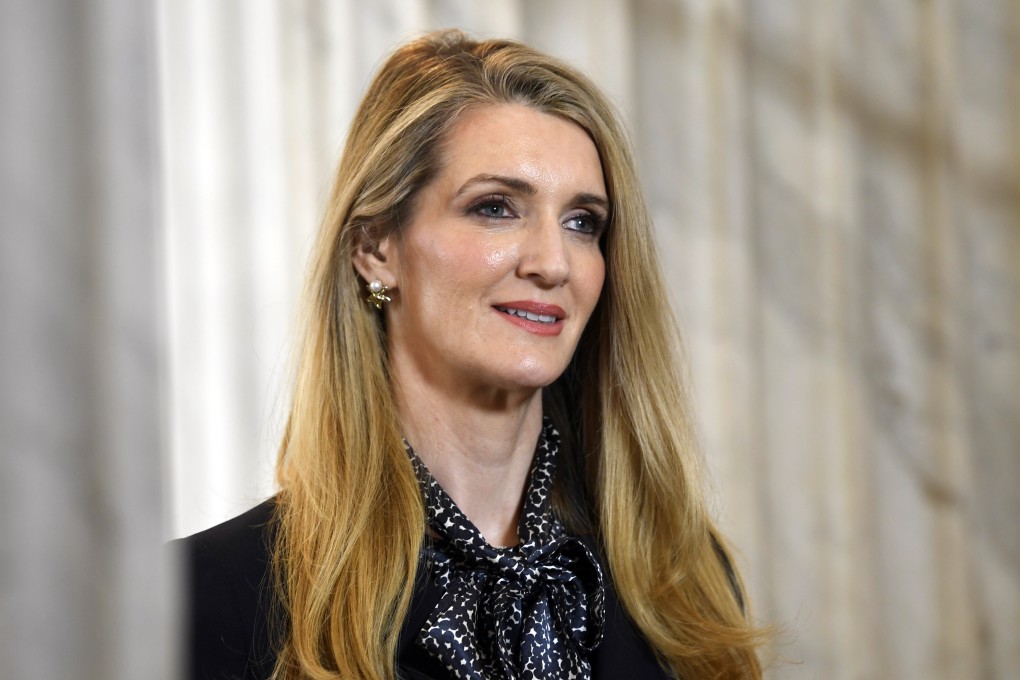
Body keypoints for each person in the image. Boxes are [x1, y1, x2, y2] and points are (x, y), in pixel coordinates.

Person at [176, 29, 766, 680]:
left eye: (583, 222)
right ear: (376, 248)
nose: (552, 264)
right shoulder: (203, 599)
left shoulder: (684, 582)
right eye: (495, 208)